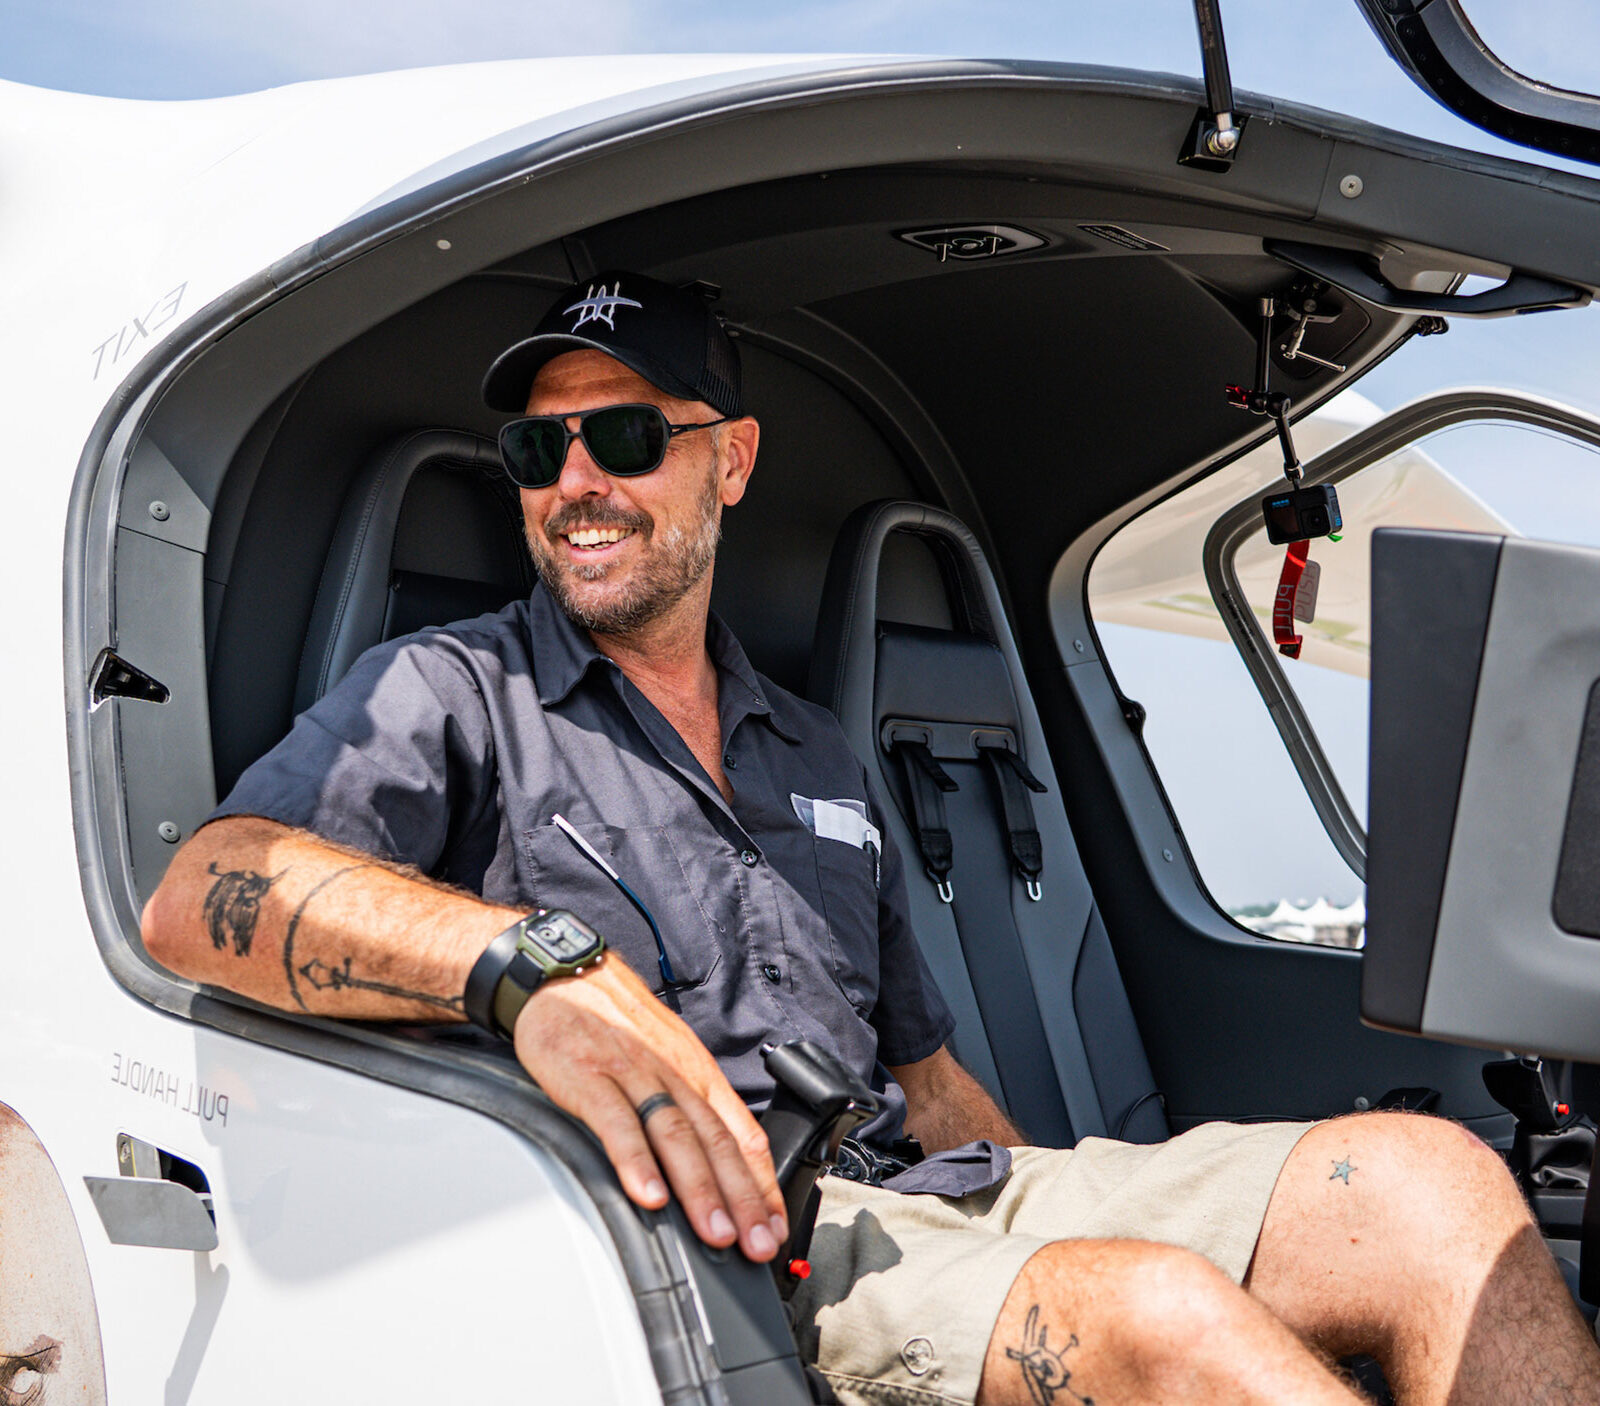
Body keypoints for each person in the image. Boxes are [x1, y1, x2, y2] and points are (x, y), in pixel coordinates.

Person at [143, 272, 1600, 1405]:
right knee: (1157, 1317)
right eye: (541, 447)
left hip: (937, 1188)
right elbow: (201, 894)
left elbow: (931, 1075)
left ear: (731, 461)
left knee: (1435, 1179)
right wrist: (530, 967)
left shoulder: (816, 754)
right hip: (739, 1242)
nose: (576, 480)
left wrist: (1052, 1234)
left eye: (630, 435)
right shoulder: (454, 692)